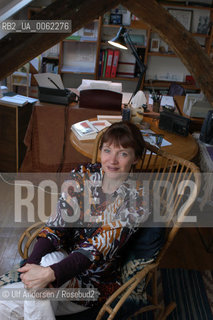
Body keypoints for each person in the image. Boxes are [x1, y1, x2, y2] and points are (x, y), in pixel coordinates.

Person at [0, 121, 151, 320]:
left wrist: (49, 275)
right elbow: (56, 224)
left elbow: (94, 250)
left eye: (123, 153)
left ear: (136, 159)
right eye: (107, 150)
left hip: (92, 284)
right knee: (20, 293)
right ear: (100, 152)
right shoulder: (83, 175)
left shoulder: (138, 199)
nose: (112, 160)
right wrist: (32, 265)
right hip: (59, 261)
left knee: (12, 299)